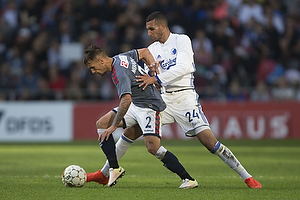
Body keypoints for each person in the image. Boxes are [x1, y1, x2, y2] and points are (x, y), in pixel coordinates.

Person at [87, 11, 262, 189]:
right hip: (160, 98)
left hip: (184, 98)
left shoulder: (182, 40)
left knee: (209, 142)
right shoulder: (153, 49)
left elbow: (184, 67)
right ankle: (105, 172)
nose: (149, 33)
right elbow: (145, 73)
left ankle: (246, 176)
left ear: (163, 26)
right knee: (131, 133)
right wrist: (151, 72)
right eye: (147, 30)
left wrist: (157, 78)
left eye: (152, 29)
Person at [83, 44, 198, 188]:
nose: (93, 72)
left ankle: (189, 179)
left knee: (152, 147)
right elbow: (144, 52)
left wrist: (114, 126)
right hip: (137, 104)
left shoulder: (119, 73)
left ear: (100, 61)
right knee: (102, 123)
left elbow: (126, 99)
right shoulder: (120, 57)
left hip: (149, 106)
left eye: (93, 67)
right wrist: (153, 69)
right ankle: (114, 168)